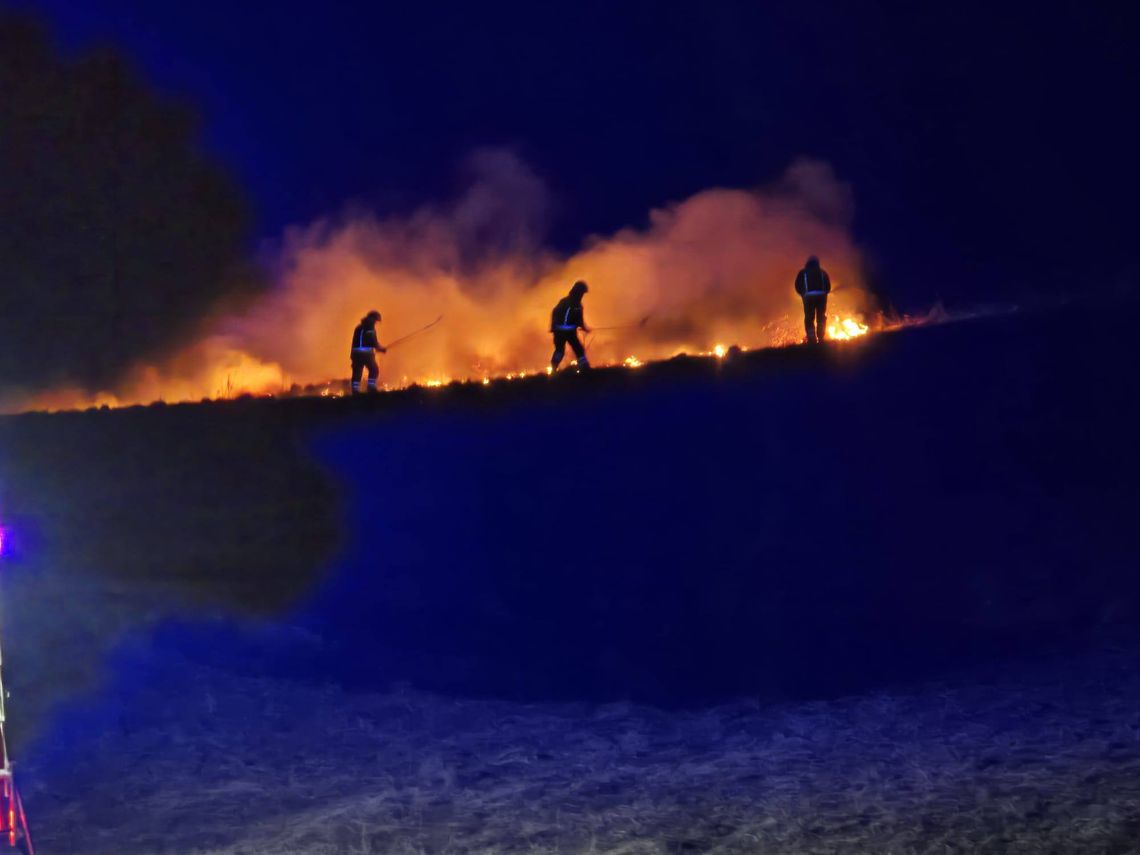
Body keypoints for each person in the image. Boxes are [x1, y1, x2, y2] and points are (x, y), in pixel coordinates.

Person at [550, 280, 592, 371]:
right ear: (578, 292)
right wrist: (582, 327)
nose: (582, 295)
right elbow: (569, 319)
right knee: (575, 349)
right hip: (565, 332)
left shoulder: (568, 302)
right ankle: (584, 368)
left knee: (562, 350)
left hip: (562, 331)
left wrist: (583, 327)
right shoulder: (572, 304)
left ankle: (554, 367)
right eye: (581, 293)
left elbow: (579, 320)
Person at [794, 256, 832, 344]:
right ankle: (821, 337)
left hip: (808, 298)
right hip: (821, 297)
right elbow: (828, 287)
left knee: (809, 318)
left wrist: (802, 294)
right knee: (821, 317)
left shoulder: (803, 273)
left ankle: (811, 339)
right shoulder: (823, 272)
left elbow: (797, 285)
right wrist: (824, 292)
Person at [350, 310, 387, 393]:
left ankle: (355, 391)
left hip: (355, 354)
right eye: (376, 320)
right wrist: (380, 348)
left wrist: (377, 347)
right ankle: (371, 388)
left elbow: (362, 341)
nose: (376, 323)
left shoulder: (358, 327)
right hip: (366, 354)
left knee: (357, 373)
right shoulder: (370, 327)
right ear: (373, 319)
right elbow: (372, 341)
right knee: (374, 370)